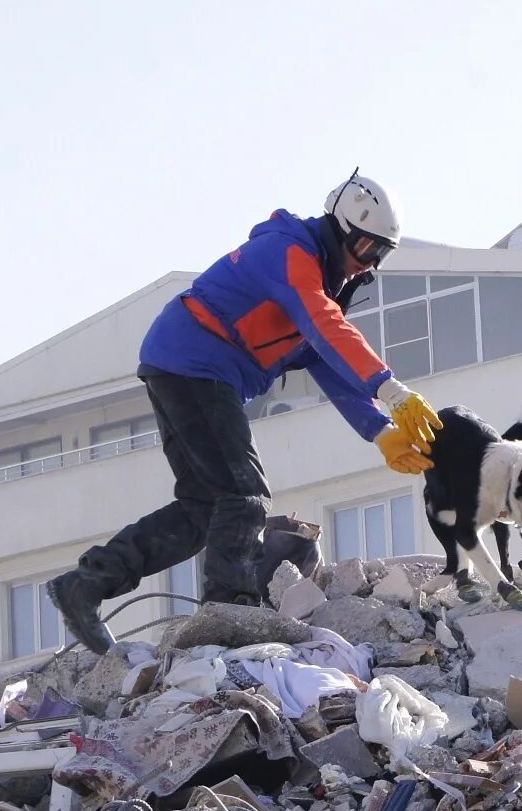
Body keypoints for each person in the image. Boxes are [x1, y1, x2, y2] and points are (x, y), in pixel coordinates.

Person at [48, 174, 441, 653]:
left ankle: (86, 585)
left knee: (204, 508)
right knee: (245, 494)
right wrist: (390, 387)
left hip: (185, 365)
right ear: (338, 226)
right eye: (363, 246)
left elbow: (326, 360)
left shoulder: (319, 282)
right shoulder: (290, 254)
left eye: (379, 254)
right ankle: (229, 612)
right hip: (195, 360)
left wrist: (380, 429)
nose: (366, 263)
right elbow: (326, 327)